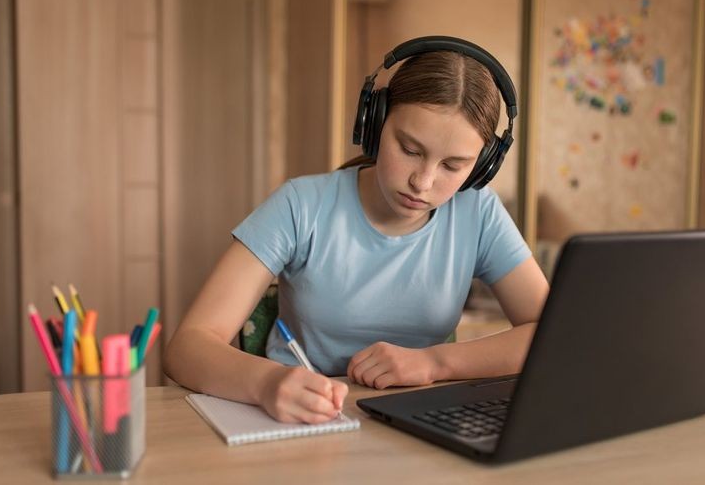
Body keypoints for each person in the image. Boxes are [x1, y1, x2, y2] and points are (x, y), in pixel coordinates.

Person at [164, 36, 549, 426]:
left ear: (482, 167)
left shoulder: (479, 212)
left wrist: (434, 362)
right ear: (375, 124)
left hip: (420, 423)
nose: (423, 181)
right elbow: (187, 347)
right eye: (410, 149)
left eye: (453, 165)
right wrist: (266, 383)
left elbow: (554, 335)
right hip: (306, 422)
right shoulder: (302, 204)